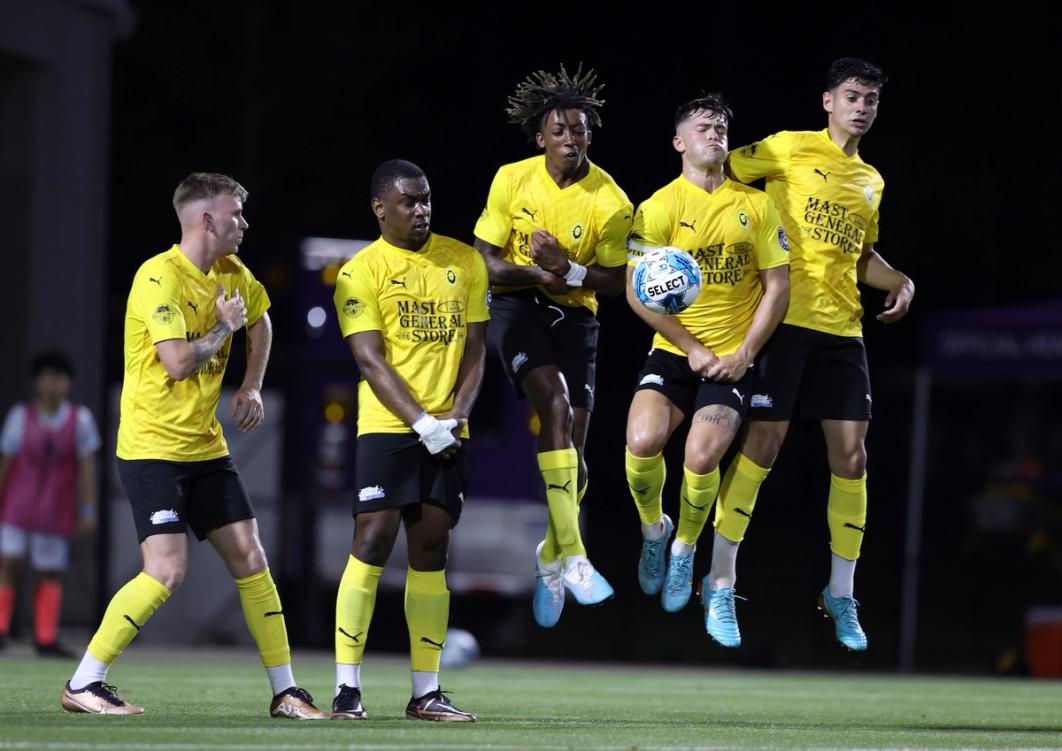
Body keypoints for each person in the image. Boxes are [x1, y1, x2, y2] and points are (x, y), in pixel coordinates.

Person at [60, 172, 327, 718]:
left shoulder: (232, 272)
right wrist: (223, 329)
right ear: (206, 219)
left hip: (205, 449)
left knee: (252, 559)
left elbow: (264, 321)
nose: (244, 223)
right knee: (165, 571)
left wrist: (251, 384)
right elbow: (178, 363)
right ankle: (84, 683)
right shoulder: (158, 277)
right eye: (236, 214)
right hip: (152, 449)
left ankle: (286, 692)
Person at [712, 58, 915, 650]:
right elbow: (715, 174)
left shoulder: (871, 180)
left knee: (852, 458)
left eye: (871, 100)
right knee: (764, 446)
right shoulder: (785, 148)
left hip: (843, 329)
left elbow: (862, 257)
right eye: (852, 96)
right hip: (782, 321)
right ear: (828, 100)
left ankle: (841, 592)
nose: (862, 107)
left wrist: (899, 279)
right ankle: (721, 582)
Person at [473, 64, 632, 628]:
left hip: (577, 318)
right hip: (519, 310)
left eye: (580, 131)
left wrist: (570, 268)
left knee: (579, 460)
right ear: (540, 137)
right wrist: (540, 275)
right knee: (556, 410)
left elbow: (615, 282)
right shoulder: (511, 179)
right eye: (560, 131)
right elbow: (484, 264)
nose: (571, 139)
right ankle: (577, 556)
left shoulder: (611, 200)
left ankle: (549, 554)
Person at [332, 159, 487, 722]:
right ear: (380, 208)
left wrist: (458, 415)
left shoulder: (464, 261)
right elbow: (370, 360)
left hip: (449, 431)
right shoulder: (359, 271)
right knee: (371, 541)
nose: (420, 210)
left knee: (431, 552)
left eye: (425, 199)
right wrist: (424, 423)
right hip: (390, 428)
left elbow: (476, 350)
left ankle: (426, 691)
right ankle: (347, 687)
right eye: (408, 201)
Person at [624, 95, 789, 623]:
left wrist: (743, 354)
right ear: (679, 141)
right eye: (702, 127)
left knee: (700, 458)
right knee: (642, 442)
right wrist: (691, 347)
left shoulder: (758, 206)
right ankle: (655, 530)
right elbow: (635, 291)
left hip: (730, 361)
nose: (714, 134)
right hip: (676, 353)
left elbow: (778, 287)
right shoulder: (658, 208)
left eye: (720, 127)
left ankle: (684, 549)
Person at [0, 351, 101, 656]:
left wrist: (87, 508)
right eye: (46, 377)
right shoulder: (21, 416)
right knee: (7, 564)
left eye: (59, 377)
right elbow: (6, 461)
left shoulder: (80, 419)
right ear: (37, 382)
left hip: (54, 509)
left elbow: (86, 468)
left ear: (67, 383)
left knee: (50, 571)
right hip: (18, 507)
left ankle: (45, 638)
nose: (52, 384)